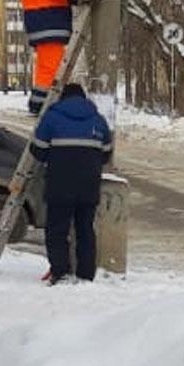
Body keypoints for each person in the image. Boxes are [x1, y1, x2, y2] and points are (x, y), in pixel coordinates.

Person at [31, 83, 112, 284]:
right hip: (89, 186)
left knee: (57, 230)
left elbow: (38, 150)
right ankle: (86, 274)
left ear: (63, 98)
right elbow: (106, 153)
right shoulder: (98, 120)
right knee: (85, 230)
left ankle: (61, 271)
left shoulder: (52, 117)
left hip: (59, 185)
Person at [17, 0, 97, 116]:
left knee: (46, 66)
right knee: (51, 68)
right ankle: (44, 106)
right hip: (48, 20)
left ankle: (39, 103)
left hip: (43, 21)